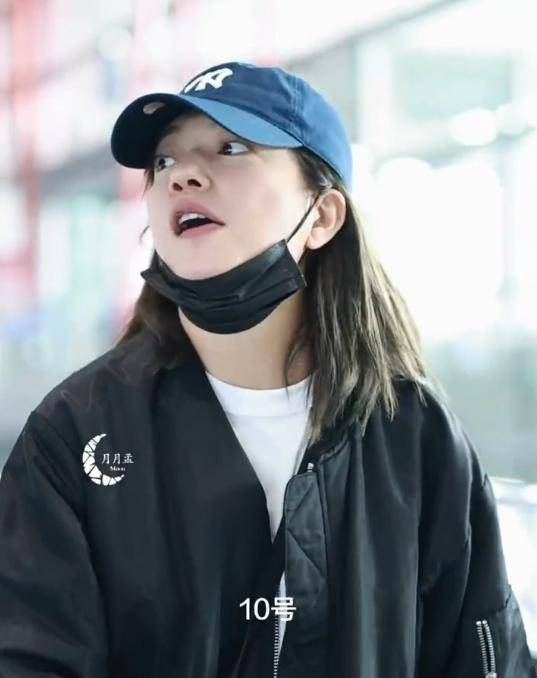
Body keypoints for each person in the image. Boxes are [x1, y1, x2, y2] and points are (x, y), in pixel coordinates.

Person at [0, 60, 535, 678]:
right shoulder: (77, 433)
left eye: (231, 148)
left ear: (323, 216)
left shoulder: (413, 434)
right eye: (164, 161)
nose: (181, 175)